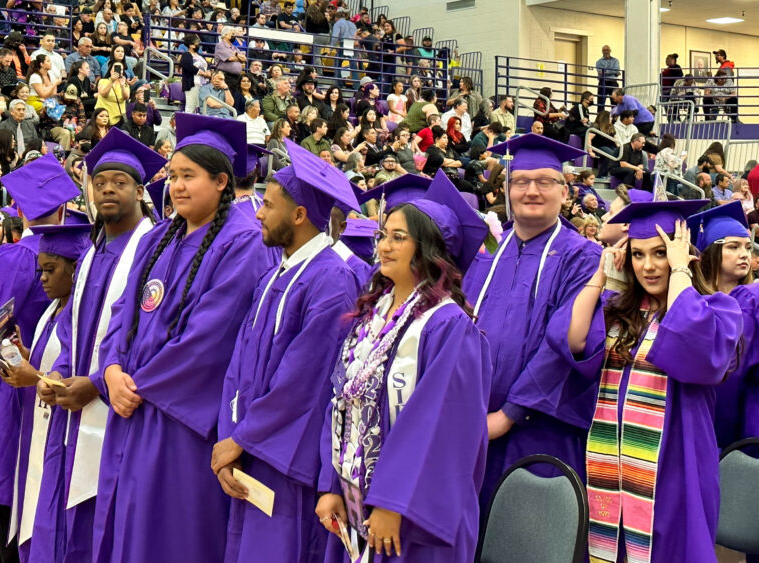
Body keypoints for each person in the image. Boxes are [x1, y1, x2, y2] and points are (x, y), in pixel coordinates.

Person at [91, 113, 272, 563]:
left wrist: (137, 386)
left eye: (189, 176)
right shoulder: (157, 240)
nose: (177, 186)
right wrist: (111, 371)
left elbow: (208, 340)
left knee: (171, 539)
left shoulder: (243, 244)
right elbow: (121, 313)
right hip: (131, 408)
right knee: (126, 532)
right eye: (172, 176)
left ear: (222, 181)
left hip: (180, 421)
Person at [317, 170, 491, 561]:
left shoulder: (449, 326)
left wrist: (394, 503)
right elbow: (342, 402)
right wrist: (330, 485)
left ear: (428, 249)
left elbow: (440, 426)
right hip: (358, 503)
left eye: (399, 238)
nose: (384, 246)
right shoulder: (371, 317)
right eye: (383, 235)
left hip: (412, 519)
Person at [561, 199, 741, 563]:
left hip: (677, 459)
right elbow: (576, 340)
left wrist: (679, 272)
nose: (648, 266)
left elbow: (693, 344)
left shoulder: (719, 309)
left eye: (660, 253)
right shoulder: (623, 312)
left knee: (672, 547)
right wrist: (602, 276)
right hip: (615, 458)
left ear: (683, 254)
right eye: (639, 255)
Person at [14, 129, 162, 563]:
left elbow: (144, 336)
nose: (108, 190)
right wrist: (57, 374)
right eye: (100, 183)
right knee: (55, 508)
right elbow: (72, 329)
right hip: (70, 412)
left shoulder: (152, 250)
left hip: (114, 411)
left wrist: (95, 384)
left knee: (97, 522)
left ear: (140, 190)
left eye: (119, 182)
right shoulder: (94, 250)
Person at [216, 139, 361, 562]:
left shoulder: (332, 280)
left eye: (269, 205)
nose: (257, 212)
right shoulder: (275, 274)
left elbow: (303, 381)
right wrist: (230, 435)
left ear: (299, 216)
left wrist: (241, 438)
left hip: (285, 460)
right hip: (249, 451)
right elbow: (237, 366)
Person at [462, 134, 603, 510]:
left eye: (545, 181)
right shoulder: (489, 249)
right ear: (507, 189)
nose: (532, 191)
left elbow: (561, 346)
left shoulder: (584, 256)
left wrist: (508, 415)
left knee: (527, 539)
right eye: (521, 182)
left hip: (539, 428)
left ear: (564, 189)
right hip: (471, 423)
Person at [0, 154, 77, 561]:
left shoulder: (12, 257)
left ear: (20, 210)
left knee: (6, 509)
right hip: (46, 386)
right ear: (65, 209)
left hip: (2, 392)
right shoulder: (78, 260)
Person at [686, 203, 759, 452]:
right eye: (733, 247)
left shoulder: (751, 300)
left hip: (739, 424)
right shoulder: (691, 301)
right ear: (708, 253)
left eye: (748, 247)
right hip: (701, 417)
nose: (744, 254)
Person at [595, 45, 620, 112]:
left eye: (607, 50)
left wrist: (605, 71)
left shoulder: (615, 61)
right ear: (602, 51)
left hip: (613, 82)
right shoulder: (599, 62)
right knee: (600, 102)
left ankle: (614, 118)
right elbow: (600, 72)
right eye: (604, 50)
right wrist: (613, 72)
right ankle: (600, 118)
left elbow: (616, 70)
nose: (606, 52)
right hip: (603, 82)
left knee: (615, 101)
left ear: (610, 51)